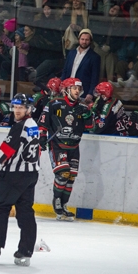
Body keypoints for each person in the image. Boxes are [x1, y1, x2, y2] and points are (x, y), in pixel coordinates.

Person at [0, 93, 40, 267]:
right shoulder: (33, 125)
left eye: (21, 107)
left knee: (1, 208)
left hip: (13, 175)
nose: (16, 110)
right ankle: (25, 251)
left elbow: (6, 150)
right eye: (15, 107)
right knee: (25, 212)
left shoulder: (20, 127)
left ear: (28, 109)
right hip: (30, 175)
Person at [38, 78, 93, 221]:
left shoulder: (83, 107)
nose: (77, 91)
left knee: (71, 176)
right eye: (74, 88)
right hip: (57, 145)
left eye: (78, 89)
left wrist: (87, 115)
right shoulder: (54, 104)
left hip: (74, 146)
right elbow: (43, 122)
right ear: (66, 90)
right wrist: (42, 137)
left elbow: (91, 127)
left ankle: (64, 204)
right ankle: (56, 201)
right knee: (63, 174)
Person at [61, 29, 101, 103]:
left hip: (82, 93)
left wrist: (90, 93)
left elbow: (94, 77)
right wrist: (62, 85)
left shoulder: (95, 57)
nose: (84, 42)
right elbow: (65, 71)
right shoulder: (71, 53)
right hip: (67, 91)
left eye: (87, 40)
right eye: (82, 39)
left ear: (90, 41)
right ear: (79, 39)